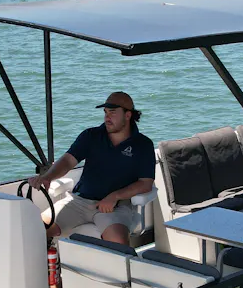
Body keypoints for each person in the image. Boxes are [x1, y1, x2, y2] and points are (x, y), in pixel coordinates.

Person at [25, 91, 154, 247]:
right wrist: (47, 177)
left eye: (112, 112)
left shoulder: (143, 145)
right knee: (34, 227)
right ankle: (49, 269)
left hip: (116, 206)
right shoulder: (91, 135)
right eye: (105, 112)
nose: (107, 117)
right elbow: (67, 160)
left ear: (128, 115)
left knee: (118, 243)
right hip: (79, 201)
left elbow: (145, 183)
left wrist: (115, 196)